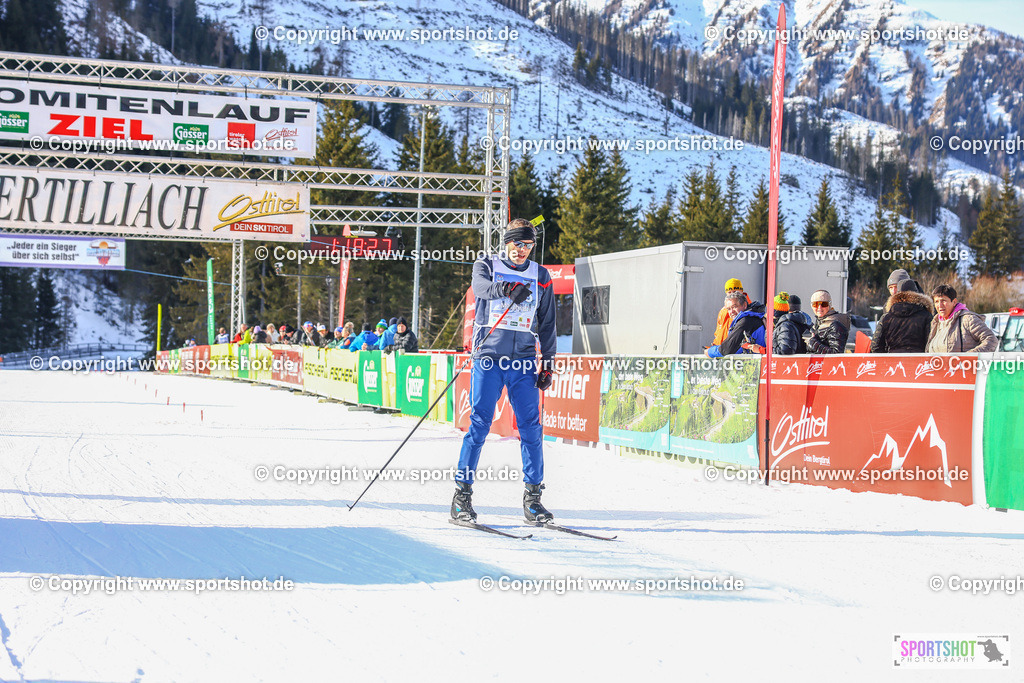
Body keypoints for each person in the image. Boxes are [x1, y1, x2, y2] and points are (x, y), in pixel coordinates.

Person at [452, 218, 557, 525]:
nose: (522, 250)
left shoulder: (542, 275)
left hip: (523, 361)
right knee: (480, 425)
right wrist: (507, 288)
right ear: (506, 242)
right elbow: (480, 289)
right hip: (489, 358)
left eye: (528, 245)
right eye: (517, 243)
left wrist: (547, 362)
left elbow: (548, 323)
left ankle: (533, 499)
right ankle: (462, 498)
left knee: (530, 428)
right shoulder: (487, 264)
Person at [926, 284, 997, 353]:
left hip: (965, 365)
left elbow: (991, 340)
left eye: (943, 301)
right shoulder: (935, 322)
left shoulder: (968, 319)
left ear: (954, 302)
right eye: (936, 302)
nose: (940, 305)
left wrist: (968, 358)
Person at [870, 279, 933, 353]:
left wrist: (887, 357)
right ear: (918, 295)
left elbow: (875, 346)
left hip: (893, 362)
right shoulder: (926, 316)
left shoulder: (886, 318)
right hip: (918, 362)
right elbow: (930, 344)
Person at [705, 291, 765, 357]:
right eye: (729, 309)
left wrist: (710, 352)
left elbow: (727, 349)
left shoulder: (746, 321)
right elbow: (738, 348)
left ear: (744, 305)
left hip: (755, 363)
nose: (732, 311)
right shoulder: (752, 317)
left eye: (734, 307)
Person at [711, 278, 764, 346]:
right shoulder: (723, 311)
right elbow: (718, 331)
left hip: (734, 350)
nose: (732, 294)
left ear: (741, 291)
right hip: (722, 349)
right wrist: (715, 345)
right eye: (729, 292)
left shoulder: (748, 309)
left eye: (735, 291)